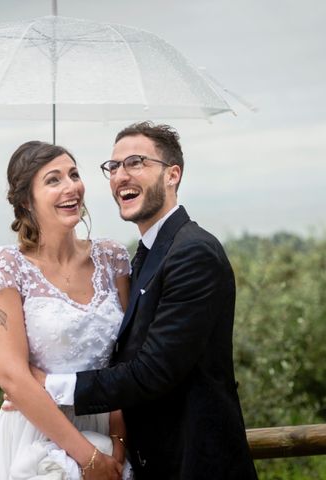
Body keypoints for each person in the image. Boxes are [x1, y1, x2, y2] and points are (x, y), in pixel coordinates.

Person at [36, 122, 259, 479]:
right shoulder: (147, 252)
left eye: (136, 162)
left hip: (196, 463)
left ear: (173, 175)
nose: (120, 175)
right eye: (114, 167)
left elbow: (153, 372)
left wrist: (48, 386)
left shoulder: (193, 253)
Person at [0, 141, 133, 480]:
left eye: (74, 174)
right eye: (53, 180)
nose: (71, 186)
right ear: (25, 201)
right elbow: (11, 376)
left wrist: (117, 443)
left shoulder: (112, 258)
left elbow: (126, 360)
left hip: (108, 423)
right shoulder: (6, 267)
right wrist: (88, 457)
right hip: (36, 433)